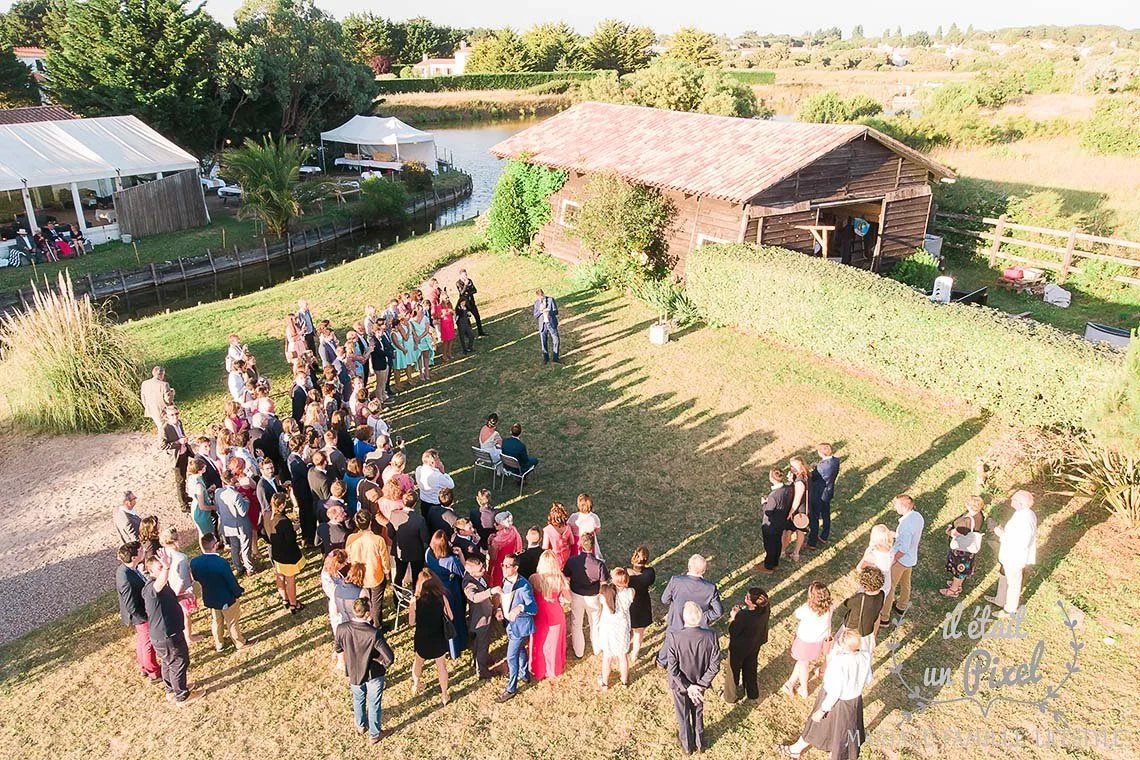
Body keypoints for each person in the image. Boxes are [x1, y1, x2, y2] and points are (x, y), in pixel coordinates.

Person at [779, 629, 873, 760]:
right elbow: (868, 679)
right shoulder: (865, 656)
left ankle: (796, 750)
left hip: (835, 702)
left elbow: (835, 691)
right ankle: (825, 753)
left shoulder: (839, 662)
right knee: (843, 735)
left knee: (817, 726)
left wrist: (822, 710)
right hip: (854, 701)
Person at [142, 551, 203, 705]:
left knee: (168, 662)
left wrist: (182, 597)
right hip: (168, 635)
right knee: (179, 662)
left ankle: (171, 690)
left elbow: (166, 599)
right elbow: (159, 584)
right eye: (159, 567)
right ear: (150, 571)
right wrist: (167, 567)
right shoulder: (152, 588)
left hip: (164, 634)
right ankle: (182, 695)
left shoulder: (161, 587)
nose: (163, 569)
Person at [334, 598, 396, 743]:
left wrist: (343, 661)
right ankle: (374, 734)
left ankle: (360, 725)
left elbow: (338, 647)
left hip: (354, 671)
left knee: (358, 699)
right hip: (373, 673)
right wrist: (382, 662)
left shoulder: (342, 628)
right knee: (374, 704)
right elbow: (389, 657)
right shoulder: (373, 633)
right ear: (367, 613)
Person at [666, 601, 721, 755]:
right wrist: (701, 685)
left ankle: (687, 746)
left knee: (682, 714)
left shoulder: (674, 637)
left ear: (684, 617)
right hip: (699, 684)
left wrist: (688, 686)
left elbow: (673, 668)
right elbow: (715, 665)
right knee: (698, 711)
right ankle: (700, 742)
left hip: (680, 685)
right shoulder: (711, 636)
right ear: (700, 617)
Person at [657, 554, 723, 667]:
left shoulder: (676, 581)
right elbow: (718, 611)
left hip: (676, 621)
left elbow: (664, 600)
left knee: (670, 641)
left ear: (689, 566)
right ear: (704, 570)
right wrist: (703, 617)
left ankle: (661, 662)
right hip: (697, 625)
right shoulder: (710, 588)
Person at [189, 533, 247, 653]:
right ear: (214, 546)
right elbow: (231, 581)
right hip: (226, 598)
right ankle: (239, 643)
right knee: (232, 622)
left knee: (216, 621)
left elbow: (196, 578)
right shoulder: (221, 563)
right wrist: (238, 592)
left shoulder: (195, 562)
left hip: (210, 597)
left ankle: (219, 644)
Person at [987, 490, 1038, 619]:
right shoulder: (1022, 513)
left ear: (1021, 503)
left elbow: (1021, 542)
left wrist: (1000, 533)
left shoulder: (1025, 520)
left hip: (1014, 557)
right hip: (1008, 555)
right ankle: (1000, 599)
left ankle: (1009, 609)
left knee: (1014, 583)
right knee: (1004, 575)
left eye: (1014, 499)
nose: (1011, 500)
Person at [116, 541, 161, 683]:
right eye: (141, 551)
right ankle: (153, 672)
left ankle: (143, 666)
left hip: (141, 613)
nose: (144, 552)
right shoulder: (127, 579)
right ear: (134, 557)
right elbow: (131, 605)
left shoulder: (127, 569)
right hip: (141, 616)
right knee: (148, 643)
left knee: (142, 641)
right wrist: (144, 617)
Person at [495, 552, 538, 702]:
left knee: (511, 656)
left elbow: (533, 608)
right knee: (519, 650)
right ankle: (524, 674)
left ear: (516, 568)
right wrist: (500, 609)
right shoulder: (505, 579)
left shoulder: (524, 586)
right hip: (509, 624)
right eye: (503, 565)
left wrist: (520, 608)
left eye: (508, 566)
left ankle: (511, 688)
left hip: (520, 626)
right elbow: (505, 598)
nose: (504, 568)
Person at [410, 568, 454, 705]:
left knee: (418, 661)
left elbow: (411, 622)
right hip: (438, 635)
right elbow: (451, 616)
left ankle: (416, 684)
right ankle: (444, 694)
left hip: (422, 636)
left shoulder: (415, 600)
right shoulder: (442, 598)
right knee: (441, 665)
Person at [782, 581, 832, 699]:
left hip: (804, 641)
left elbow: (796, 614)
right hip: (818, 641)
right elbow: (829, 623)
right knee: (802, 662)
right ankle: (790, 683)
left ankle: (803, 689)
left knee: (803, 664)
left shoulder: (807, 609)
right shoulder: (830, 607)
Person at [880, 495, 924, 628]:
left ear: (903, 506)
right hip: (911, 558)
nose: (895, 507)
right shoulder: (918, 517)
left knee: (890, 587)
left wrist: (893, 561)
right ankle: (902, 606)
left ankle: (884, 617)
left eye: (897, 505)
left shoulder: (905, 525)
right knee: (906, 583)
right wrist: (894, 534)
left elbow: (903, 548)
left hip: (901, 560)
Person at [563, 532, 608, 659]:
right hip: (593, 597)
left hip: (576, 595)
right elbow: (604, 583)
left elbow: (566, 577)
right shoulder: (599, 564)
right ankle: (597, 648)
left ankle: (579, 651)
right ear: (593, 546)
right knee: (595, 623)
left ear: (580, 545)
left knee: (576, 623)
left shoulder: (572, 561)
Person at [346, 510, 392, 630]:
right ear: (370, 522)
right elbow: (384, 560)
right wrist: (387, 573)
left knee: (364, 599)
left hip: (359, 576)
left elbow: (348, 557)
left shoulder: (351, 538)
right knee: (376, 602)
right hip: (375, 575)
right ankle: (377, 626)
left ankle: (366, 620)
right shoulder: (378, 540)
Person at [530, 549, 571, 681]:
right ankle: (553, 669)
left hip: (540, 613)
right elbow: (569, 598)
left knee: (539, 641)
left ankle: (538, 668)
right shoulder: (559, 579)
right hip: (555, 613)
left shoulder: (534, 578)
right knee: (554, 642)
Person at [425, 530, 467, 656]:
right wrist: (460, 555)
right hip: (450, 590)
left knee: (444, 619)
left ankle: (447, 646)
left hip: (436, 589)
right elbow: (463, 573)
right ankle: (459, 644)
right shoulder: (450, 560)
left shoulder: (428, 554)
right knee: (454, 618)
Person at [727, 587, 771, 702]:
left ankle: (730, 696)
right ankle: (752, 693)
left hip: (739, 648)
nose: (745, 598)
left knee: (733, 671)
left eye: (747, 597)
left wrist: (734, 617)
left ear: (752, 603)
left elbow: (733, 631)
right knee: (751, 668)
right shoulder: (765, 608)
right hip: (755, 644)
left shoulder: (743, 616)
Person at [159, 527, 200, 644]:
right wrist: (188, 590)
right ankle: (189, 637)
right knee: (186, 615)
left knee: (180, 614)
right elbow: (183, 579)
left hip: (168, 587)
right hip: (181, 590)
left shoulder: (163, 553)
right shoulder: (181, 557)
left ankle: (186, 633)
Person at [462, 554, 500, 679]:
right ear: (471, 572)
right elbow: (474, 597)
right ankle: (482, 671)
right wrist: (490, 592)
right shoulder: (468, 584)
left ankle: (477, 661)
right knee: (482, 645)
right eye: (480, 570)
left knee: (480, 643)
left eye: (483, 567)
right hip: (481, 618)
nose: (483, 570)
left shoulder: (480, 577)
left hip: (486, 613)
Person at [941, 496, 986, 599]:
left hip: (962, 550)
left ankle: (953, 590)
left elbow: (954, 533)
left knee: (959, 569)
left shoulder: (966, 521)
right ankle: (958, 585)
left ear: (969, 505)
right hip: (970, 550)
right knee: (963, 569)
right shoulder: (979, 515)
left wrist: (948, 530)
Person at [268, 493, 306, 613]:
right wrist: (293, 530)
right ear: (283, 505)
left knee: (279, 576)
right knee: (290, 579)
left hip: (276, 553)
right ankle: (294, 604)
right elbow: (290, 539)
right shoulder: (284, 521)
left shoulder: (268, 516)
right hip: (288, 555)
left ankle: (285, 599)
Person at [597, 568, 634, 689]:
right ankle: (624, 681)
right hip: (622, 626)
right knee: (623, 655)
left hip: (608, 627)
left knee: (607, 656)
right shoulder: (631, 592)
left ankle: (604, 682)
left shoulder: (605, 593)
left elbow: (601, 599)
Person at [837, 567, 885, 655]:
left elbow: (847, 603)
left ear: (864, 584)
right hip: (867, 631)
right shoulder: (882, 594)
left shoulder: (860, 598)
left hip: (852, 629)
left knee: (841, 649)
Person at [216, 472, 256, 577]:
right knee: (245, 547)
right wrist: (246, 501)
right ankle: (249, 568)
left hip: (228, 524)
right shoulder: (236, 495)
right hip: (241, 524)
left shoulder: (218, 493)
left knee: (234, 547)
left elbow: (218, 509)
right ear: (232, 479)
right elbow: (243, 512)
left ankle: (238, 567)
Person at [807, 443, 841, 550]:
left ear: (820, 453)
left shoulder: (821, 468)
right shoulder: (836, 461)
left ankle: (812, 542)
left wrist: (811, 469)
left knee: (814, 517)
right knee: (826, 514)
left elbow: (812, 477)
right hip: (828, 492)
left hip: (819, 494)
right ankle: (824, 536)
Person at [392, 493, 429, 588]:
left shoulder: (394, 514)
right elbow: (425, 538)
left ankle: (397, 594)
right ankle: (416, 593)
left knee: (399, 574)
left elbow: (390, 533)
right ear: (415, 503)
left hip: (399, 550)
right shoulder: (419, 519)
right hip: (416, 552)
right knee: (416, 575)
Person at [759, 468, 792, 572]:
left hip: (771, 525)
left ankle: (768, 566)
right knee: (777, 542)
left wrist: (764, 503)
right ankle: (775, 562)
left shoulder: (773, 496)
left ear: (772, 478)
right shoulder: (787, 489)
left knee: (769, 546)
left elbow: (768, 512)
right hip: (781, 522)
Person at [627, 545, 656, 663]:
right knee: (639, 632)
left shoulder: (627, 573)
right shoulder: (650, 573)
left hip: (629, 604)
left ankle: (625, 648)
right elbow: (651, 582)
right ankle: (634, 654)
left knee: (627, 628)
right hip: (643, 604)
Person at [160, 406, 191, 511]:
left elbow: (181, 434)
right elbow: (163, 445)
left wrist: (184, 440)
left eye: (176, 414)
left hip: (184, 453)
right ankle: (183, 505)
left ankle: (184, 495)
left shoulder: (179, 423)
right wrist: (178, 442)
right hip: (176, 458)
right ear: (166, 417)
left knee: (184, 477)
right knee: (180, 481)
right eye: (172, 415)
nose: (175, 416)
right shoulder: (165, 428)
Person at [784, 457, 811, 562]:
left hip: (799, 511)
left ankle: (788, 552)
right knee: (801, 531)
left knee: (792, 531)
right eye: (791, 466)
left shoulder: (800, 482)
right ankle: (796, 553)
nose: (792, 469)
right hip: (806, 508)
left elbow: (797, 499)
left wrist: (790, 511)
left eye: (794, 466)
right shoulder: (806, 475)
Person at [857, 525, 894, 602]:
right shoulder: (891, 550)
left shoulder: (872, 555)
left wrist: (865, 555)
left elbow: (859, 568)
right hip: (885, 583)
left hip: (872, 586)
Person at [487, 510, 523, 589]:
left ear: (503, 525)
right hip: (510, 561)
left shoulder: (497, 540)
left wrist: (489, 543)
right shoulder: (513, 530)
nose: (494, 524)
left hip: (500, 565)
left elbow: (492, 557)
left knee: (497, 584)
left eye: (497, 523)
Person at [415, 449, 454, 519]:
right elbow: (451, 485)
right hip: (435, 503)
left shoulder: (418, 469)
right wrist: (443, 472)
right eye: (438, 459)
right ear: (432, 462)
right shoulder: (437, 476)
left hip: (423, 501)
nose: (439, 460)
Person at [568, 492, 602, 559]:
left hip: (576, 542)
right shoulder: (594, 517)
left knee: (575, 557)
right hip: (589, 541)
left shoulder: (574, 517)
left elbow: (568, 527)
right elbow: (598, 529)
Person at [140, 366, 173, 431]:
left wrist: (146, 406)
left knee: (160, 426)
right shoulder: (164, 384)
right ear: (161, 374)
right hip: (162, 410)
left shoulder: (144, 383)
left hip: (151, 408)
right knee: (164, 428)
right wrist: (172, 393)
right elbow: (168, 400)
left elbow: (143, 397)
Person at [541, 502, 574, 568]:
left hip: (554, 558)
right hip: (566, 556)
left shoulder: (548, 529)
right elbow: (572, 542)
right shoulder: (567, 527)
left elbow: (545, 546)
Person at [533, 288, 560, 364]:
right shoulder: (536, 303)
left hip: (551, 323)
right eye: (539, 297)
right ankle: (546, 358)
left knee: (556, 340)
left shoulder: (551, 300)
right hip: (543, 325)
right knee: (544, 342)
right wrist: (540, 311)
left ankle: (555, 357)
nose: (541, 298)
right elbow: (535, 315)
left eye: (542, 296)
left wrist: (549, 312)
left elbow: (556, 311)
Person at [455, 268, 486, 336]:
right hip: (464, 303)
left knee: (477, 316)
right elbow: (462, 293)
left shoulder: (469, 280)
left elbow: (474, 290)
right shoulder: (458, 283)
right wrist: (466, 285)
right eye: (464, 275)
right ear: (460, 275)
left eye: (466, 274)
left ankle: (480, 332)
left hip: (471, 302)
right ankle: (469, 334)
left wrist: (468, 292)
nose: (465, 276)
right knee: (467, 319)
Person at [437, 297, 456, 362]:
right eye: (446, 298)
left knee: (451, 339)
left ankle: (449, 353)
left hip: (450, 323)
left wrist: (452, 312)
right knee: (446, 340)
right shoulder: (439, 306)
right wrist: (443, 315)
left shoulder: (449, 304)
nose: (447, 299)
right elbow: (437, 316)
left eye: (448, 297)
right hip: (444, 324)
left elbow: (453, 313)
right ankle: (444, 355)